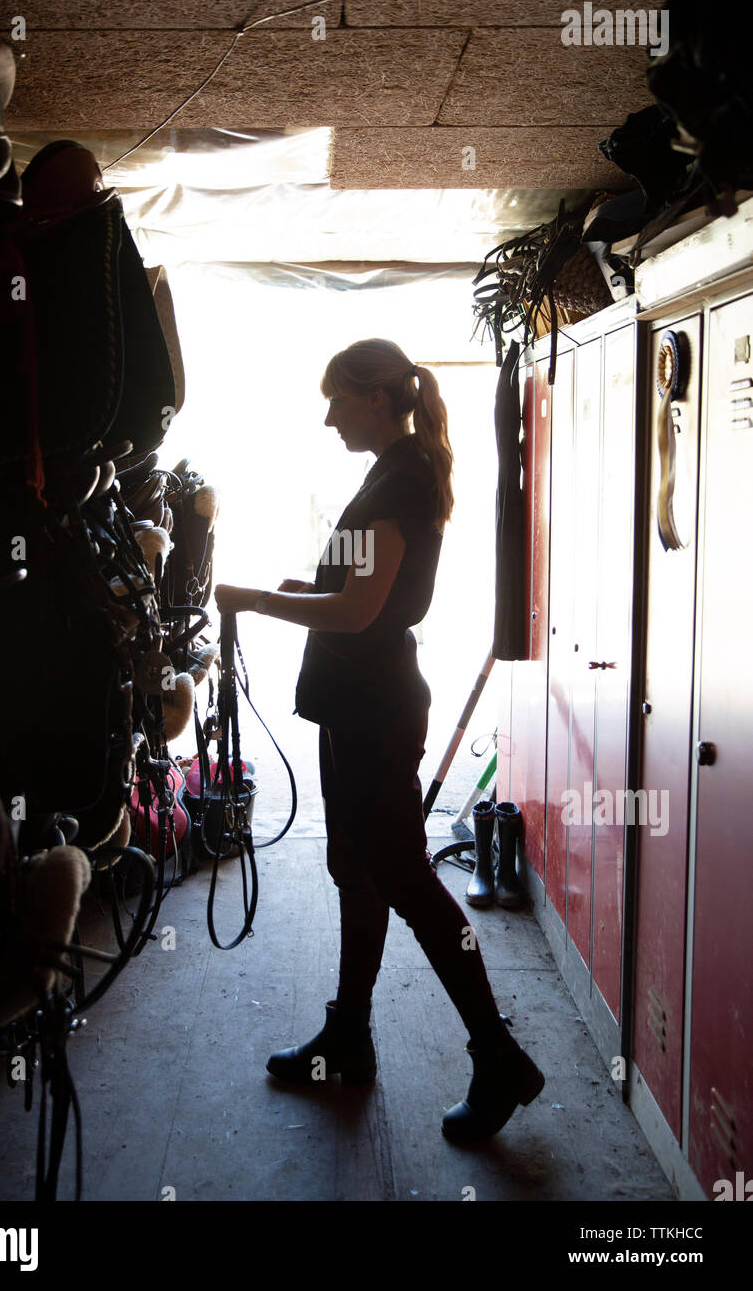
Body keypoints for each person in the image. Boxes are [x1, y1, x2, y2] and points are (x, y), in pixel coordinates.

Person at [214, 338, 543, 1141]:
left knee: (409, 884)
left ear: (372, 397)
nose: (328, 418)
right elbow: (360, 592)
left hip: (374, 712)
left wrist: (256, 599)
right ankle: (350, 1038)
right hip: (357, 705)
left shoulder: (400, 478)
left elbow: (361, 612)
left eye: (337, 401)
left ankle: (497, 1054)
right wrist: (307, 589)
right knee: (357, 871)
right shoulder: (393, 469)